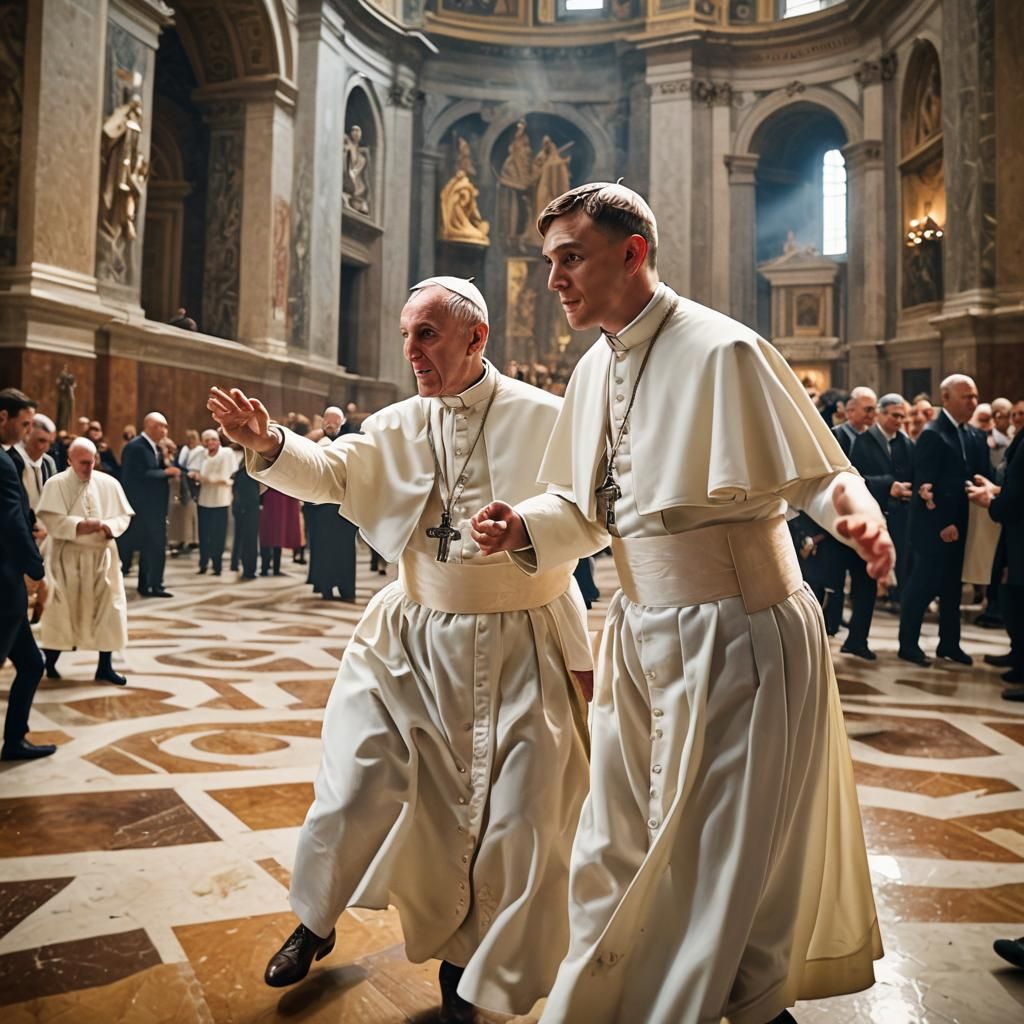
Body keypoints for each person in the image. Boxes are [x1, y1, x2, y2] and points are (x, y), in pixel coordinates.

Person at [471, 182, 889, 1024]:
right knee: (618, 838)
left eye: (571, 257)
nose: (553, 277)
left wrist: (856, 512)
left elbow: (815, 470)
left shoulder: (723, 348)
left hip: (740, 631)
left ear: (634, 252)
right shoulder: (594, 367)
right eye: (550, 259)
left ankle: (737, 1004)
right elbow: (584, 508)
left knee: (724, 849)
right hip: (638, 632)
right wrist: (524, 523)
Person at [207, 276, 592, 1022]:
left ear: (476, 338)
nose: (411, 351)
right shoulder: (395, 424)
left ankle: (464, 971)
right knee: (354, 784)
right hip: (410, 637)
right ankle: (315, 919)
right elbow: (335, 472)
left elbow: (592, 512)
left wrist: (526, 527)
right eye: (407, 334)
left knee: (512, 821)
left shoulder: (549, 418)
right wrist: (271, 445)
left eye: (427, 335)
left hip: (522, 639)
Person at [898, 375, 988, 666]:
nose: (973, 402)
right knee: (921, 587)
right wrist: (942, 523)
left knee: (952, 588)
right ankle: (908, 643)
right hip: (933, 528)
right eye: (966, 397)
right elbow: (924, 484)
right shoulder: (933, 434)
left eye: (975, 396)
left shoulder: (973, 435)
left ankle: (949, 643)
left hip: (962, 525)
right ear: (946, 398)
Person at [37, 438, 134, 686]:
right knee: (61, 612)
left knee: (110, 611)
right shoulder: (56, 484)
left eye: (91, 463)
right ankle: (49, 663)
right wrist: (78, 525)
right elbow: (49, 517)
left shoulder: (108, 483)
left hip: (102, 557)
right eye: (82, 463)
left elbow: (123, 515)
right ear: (69, 461)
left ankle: (105, 667)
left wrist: (111, 527)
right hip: (67, 557)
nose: (87, 468)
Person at [0, 388, 52, 760]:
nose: (25, 431)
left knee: (32, 663)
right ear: (3, 417)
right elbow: (12, 523)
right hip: (3, 583)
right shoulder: (3, 462)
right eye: (24, 423)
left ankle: (15, 740)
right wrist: (37, 570)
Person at [845, 393, 914, 654]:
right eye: (894, 415)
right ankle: (856, 640)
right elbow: (856, 479)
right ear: (881, 414)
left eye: (901, 416)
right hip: (870, 521)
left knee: (903, 580)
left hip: (900, 520)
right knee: (865, 583)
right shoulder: (864, 442)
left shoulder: (906, 444)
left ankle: (907, 644)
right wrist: (888, 486)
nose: (899, 420)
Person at [968, 426, 1024, 695]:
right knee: (1012, 594)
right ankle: (1019, 655)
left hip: (1018, 524)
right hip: (1015, 531)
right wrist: (998, 492)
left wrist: (993, 502)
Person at [826, 386, 878, 642]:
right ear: (850, 411)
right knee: (833, 580)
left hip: (866, 521)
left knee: (865, 582)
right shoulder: (836, 436)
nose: (872, 414)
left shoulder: (874, 438)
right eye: (867, 409)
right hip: (838, 520)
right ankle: (829, 629)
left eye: (874, 409)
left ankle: (858, 639)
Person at [118, 412, 180, 597]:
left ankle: (149, 585)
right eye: (163, 426)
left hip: (155, 508)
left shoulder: (155, 447)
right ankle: (153, 585)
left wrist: (167, 465)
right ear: (152, 426)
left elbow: (155, 470)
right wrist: (166, 473)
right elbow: (134, 477)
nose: (166, 431)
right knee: (151, 547)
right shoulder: (135, 447)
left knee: (151, 548)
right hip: (142, 508)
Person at [306, 407, 358, 602]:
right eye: (327, 420)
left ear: (342, 422)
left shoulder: (351, 442)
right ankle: (326, 587)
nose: (330, 423)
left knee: (345, 549)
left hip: (344, 504)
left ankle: (347, 590)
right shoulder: (317, 443)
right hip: (322, 505)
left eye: (335, 420)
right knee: (324, 547)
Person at [193, 429, 234, 576]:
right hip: (204, 499)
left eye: (214, 439)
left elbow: (228, 475)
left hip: (221, 500)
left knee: (219, 535)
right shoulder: (201, 455)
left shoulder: (227, 453)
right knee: (204, 535)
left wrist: (207, 478)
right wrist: (200, 477)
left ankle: (217, 565)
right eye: (208, 440)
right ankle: (203, 563)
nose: (211, 442)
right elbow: (195, 472)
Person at [16, 413, 58, 510]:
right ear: (27, 434)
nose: (46, 448)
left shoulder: (48, 462)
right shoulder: (13, 459)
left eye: (50, 443)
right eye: (41, 441)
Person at [230, 445, 260, 580]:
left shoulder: (255, 459)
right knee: (242, 536)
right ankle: (241, 564)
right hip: (240, 503)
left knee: (250, 538)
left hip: (250, 503)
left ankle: (249, 569)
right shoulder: (241, 458)